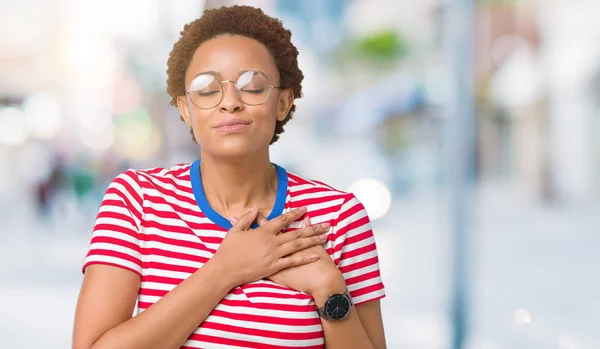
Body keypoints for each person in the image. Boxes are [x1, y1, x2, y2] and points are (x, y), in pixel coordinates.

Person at [72, 5, 386, 349]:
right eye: (207, 89)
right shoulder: (137, 200)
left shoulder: (340, 217)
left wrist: (329, 288)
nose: (230, 102)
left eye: (252, 86)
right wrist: (226, 269)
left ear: (283, 102)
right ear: (185, 109)